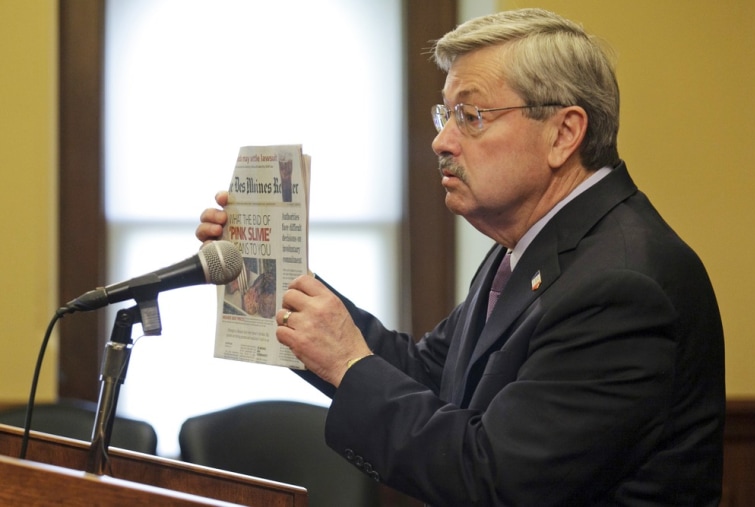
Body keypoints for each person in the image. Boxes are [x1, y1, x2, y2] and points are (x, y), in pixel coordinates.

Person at [197, 8, 725, 506]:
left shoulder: (622, 284)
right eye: (444, 115)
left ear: (564, 133)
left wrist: (348, 364)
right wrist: (274, 279)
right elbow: (431, 376)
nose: (442, 142)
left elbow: (496, 480)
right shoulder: (528, 245)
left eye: (471, 116)